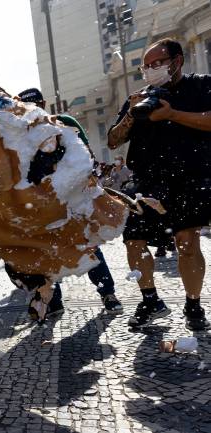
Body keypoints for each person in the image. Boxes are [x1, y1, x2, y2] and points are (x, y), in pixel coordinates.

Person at [108, 38, 211, 330]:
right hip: (146, 182)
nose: (151, 70)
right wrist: (130, 112)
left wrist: (172, 115)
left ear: (177, 61)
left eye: (157, 63)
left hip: (190, 178)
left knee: (187, 243)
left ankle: (193, 305)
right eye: (146, 66)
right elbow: (113, 140)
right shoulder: (140, 96)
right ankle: (150, 300)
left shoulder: (202, 86)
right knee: (133, 241)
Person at [18, 88, 123, 316]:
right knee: (49, 251)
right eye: (25, 107)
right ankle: (54, 301)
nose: (31, 110)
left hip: (74, 197)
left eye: (34, 104)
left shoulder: (64, 123)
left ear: (43, 103)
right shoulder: (21, 134)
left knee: (88, 245)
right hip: (45, 204)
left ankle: (108, 293)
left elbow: (85, 157)